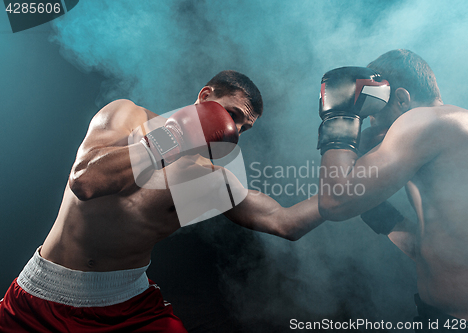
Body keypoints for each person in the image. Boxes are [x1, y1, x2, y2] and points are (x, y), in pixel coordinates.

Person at [0, 70, 324, 332]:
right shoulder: (127, 115)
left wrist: (358, 184)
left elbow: (286, 223)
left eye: (244, 127)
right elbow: (86, 182)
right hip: (39, 295)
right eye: (233, 115)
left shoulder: (211, 179)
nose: (235, 130)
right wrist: (173, 138)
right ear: (206, 96)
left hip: (128, 308)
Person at [317, 50, 468, 332]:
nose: (373, 123)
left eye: (375, 112)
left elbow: (334, 202)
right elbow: (447, 239)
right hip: (445, 316)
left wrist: (340, 118)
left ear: (401, 98)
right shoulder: (454, 129)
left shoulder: (427, 121)